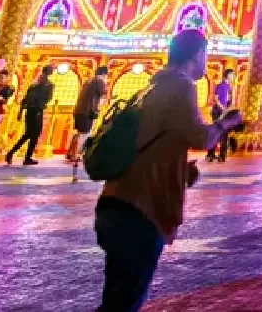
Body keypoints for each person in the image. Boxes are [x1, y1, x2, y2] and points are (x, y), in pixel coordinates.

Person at [96, 29, 240, 312]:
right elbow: (201, 138)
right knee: (125, 301)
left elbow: (155, 143)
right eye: (205, 55)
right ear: (197, 54)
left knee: (116, 297)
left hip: (117, 200)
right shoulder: (181, 85)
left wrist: (178, 171)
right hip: (140, 207)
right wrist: (227, 123)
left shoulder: (151, 86)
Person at [2, 67, 55, 166]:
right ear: (50, 73)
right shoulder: (49, 85)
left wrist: (20, 112)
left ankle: (15, 154)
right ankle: (24, 157)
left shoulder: (34, 83)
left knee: (28, 134)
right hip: (37, 111)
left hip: (29, 111)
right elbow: (48, 98)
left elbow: (25, 98)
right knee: (33, 135)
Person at [70, 65, 111, 181]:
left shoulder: (88, 81)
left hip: (78, 111)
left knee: (80, 134)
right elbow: (104, 95)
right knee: (84, 134)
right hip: (87, 112)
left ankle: (75, 154)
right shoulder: (99, 81)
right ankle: (78, 157)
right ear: (104, 74)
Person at [204, 71, 234, 163]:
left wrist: (228, 110)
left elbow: (229, 100)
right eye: (232, 75)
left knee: (224, 134)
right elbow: (216, 99)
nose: (233, 77)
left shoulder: (229, 87)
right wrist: (222, 109)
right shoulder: (221, 85)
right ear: (227, 75)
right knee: (216, 133)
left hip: (224, 113)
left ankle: (222, 156)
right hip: (217, 113)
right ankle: (210, 154)